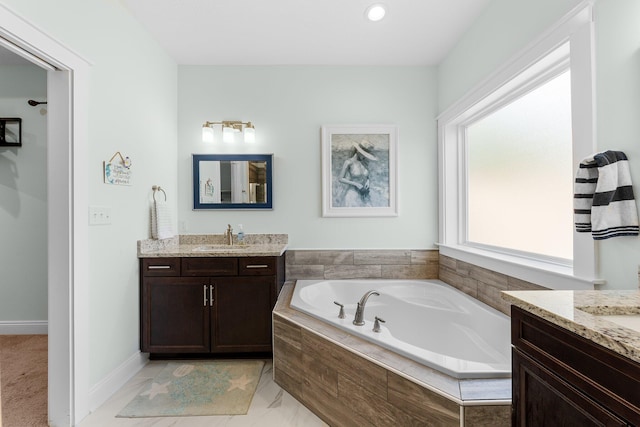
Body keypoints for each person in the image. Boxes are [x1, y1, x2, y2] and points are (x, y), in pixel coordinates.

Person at [336, 139, 377, 207]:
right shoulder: (349, 162)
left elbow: (367, 175)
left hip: (365, 194)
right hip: (353, 194)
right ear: (358, 151)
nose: (365, 157)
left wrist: (368, 181)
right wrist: (356, 184)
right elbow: (340, 178)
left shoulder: (364, 162)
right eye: (364, 154)